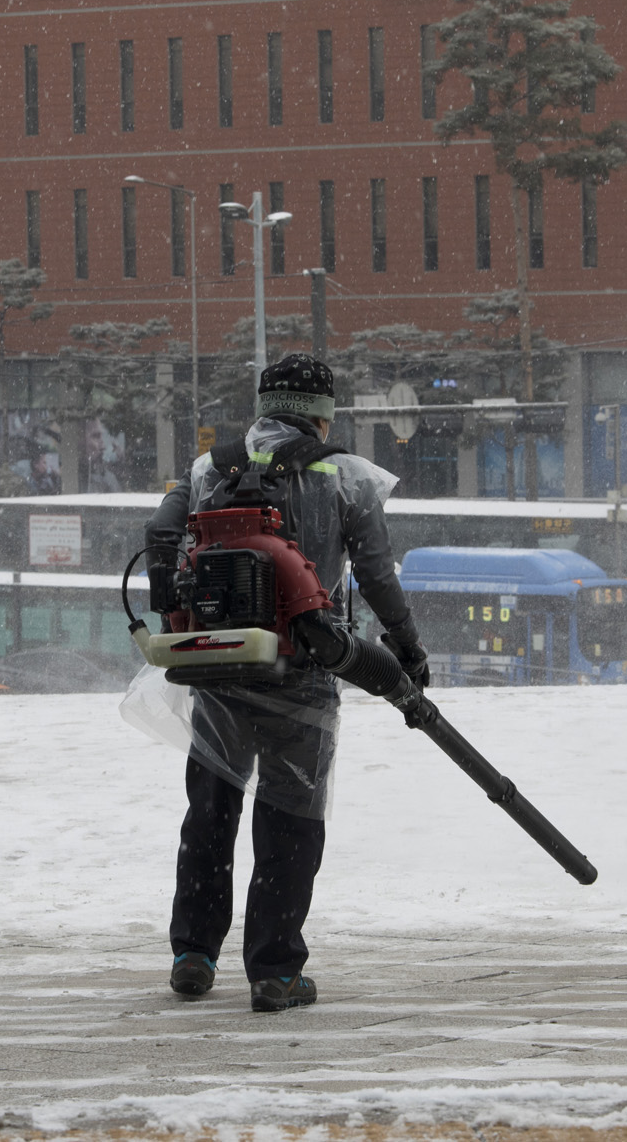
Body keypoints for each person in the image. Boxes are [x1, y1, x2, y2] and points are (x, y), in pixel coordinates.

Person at [142, 354, 428, 1012]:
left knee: (210, 811)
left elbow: (162, 532)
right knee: (290, 820)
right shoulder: (345, 476)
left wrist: (177, 620)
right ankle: (274, 970)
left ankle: (193, 952)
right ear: (324, 412)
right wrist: (407, 652)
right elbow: (379, 577)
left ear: (264, 405)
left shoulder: (210, 468)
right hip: (305, 669)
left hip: (218, 665)